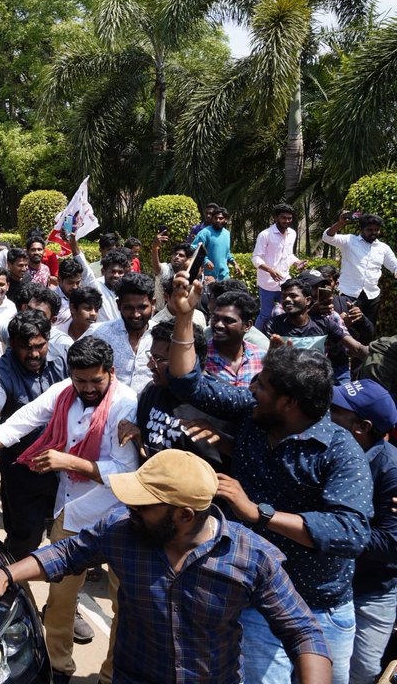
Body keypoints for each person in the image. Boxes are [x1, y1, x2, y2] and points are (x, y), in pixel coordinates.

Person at [0, 449, 333, 684]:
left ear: (183, 516)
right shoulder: (121, 530)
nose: (129, 509)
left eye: (143, 505)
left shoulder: (252, 557)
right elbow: (67, 554)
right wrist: (5, 573)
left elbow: (303, 632)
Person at [166, 269, 373, 684]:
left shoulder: (339, 450)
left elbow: (351, 532)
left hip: (322, 607)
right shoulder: (251, 416)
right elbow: (189, 384)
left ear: (288, 402)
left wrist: (258, 512)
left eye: (260, 385)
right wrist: (186, 317)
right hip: (258, 600)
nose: (250, 388)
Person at [0, 336, 139, 683]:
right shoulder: (65, 391)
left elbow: (126, 472)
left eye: (96, 381)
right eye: (81, 381)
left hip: (120, 515)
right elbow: (27, 417)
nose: (88, 388)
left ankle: (112, 675)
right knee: (61, 600)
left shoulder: (127, 404)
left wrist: (70, 461)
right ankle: (60, 666)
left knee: (125, 604)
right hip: (73, 511)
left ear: (111, 372)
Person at [0, 311, 68, 556]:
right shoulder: (2, 372)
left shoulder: (65, 359)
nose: (34, 354)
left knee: (67, 537)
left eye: (40, 346)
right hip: (22, 471)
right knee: (24, 539)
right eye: (25, 347)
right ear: (12, 344)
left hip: (66, 468)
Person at [324, 380, 397, 684]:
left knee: (361, 672)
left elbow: (390, 543)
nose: (326, 414)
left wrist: (327, 531)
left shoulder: (389, 470)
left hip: (371, 590)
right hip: (329, 583)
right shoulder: (330, 450)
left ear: (362, 427)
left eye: (337, 410)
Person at [116, 320, 225, 468]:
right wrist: (138, 435)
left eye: (159, 359)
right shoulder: (152, 391)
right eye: (151, 357)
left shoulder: (220, 403)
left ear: (187, 361)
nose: (150, 366)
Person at [267, 276, 369, 365]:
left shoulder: (325, 322)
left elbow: (357, 349)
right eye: (284, 296)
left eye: (293, 296)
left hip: (317, 382)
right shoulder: (273, 325)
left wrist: (380, 353)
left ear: (307, 300)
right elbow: (264, 357)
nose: (287, 300)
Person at [83, 271, 155, 392]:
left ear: (152, 304)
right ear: (118, 304)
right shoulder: (99, 333)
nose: (136, 314)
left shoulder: (161, 336)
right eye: (128, 308)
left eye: (142, 307)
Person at [323, 211, 397, 327]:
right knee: (345, 328)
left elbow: (394, 265)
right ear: (362, 229)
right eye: (370, 230)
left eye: (376, 230)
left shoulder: (383, 248)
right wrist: (340, 223)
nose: (373, 233)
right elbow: (327, 237)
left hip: (372, 296)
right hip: (348, 293)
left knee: (368, 328)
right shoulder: (349, 241)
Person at [252, 203, 302, 329]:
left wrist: (297, 262)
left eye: (289, 218)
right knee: (266, 315)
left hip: (285, 281)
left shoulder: (292, 233)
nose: (287, 221)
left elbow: (289, 255)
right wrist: (270, 270)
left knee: (287, 312)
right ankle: (256, 341)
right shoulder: (265, 235)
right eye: (283, 218)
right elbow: (256, 258)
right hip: (267, 283)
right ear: (276, 217)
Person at [203, 289, 265, 387]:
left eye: (228, 320)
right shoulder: (200, 357)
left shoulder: (262, 358)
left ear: (247, 326)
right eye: (215, 318)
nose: (219, 325)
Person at [192, 205, 242, 281]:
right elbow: (193, 248)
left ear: (226, 220)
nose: (218, 220)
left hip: (224, 277)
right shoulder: (204, 233)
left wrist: (234, 263)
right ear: (212, 219)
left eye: (221, 218)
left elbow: (227, 252)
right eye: (216, 218)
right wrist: (206, 261)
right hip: (208, 278)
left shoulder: (227, 233)